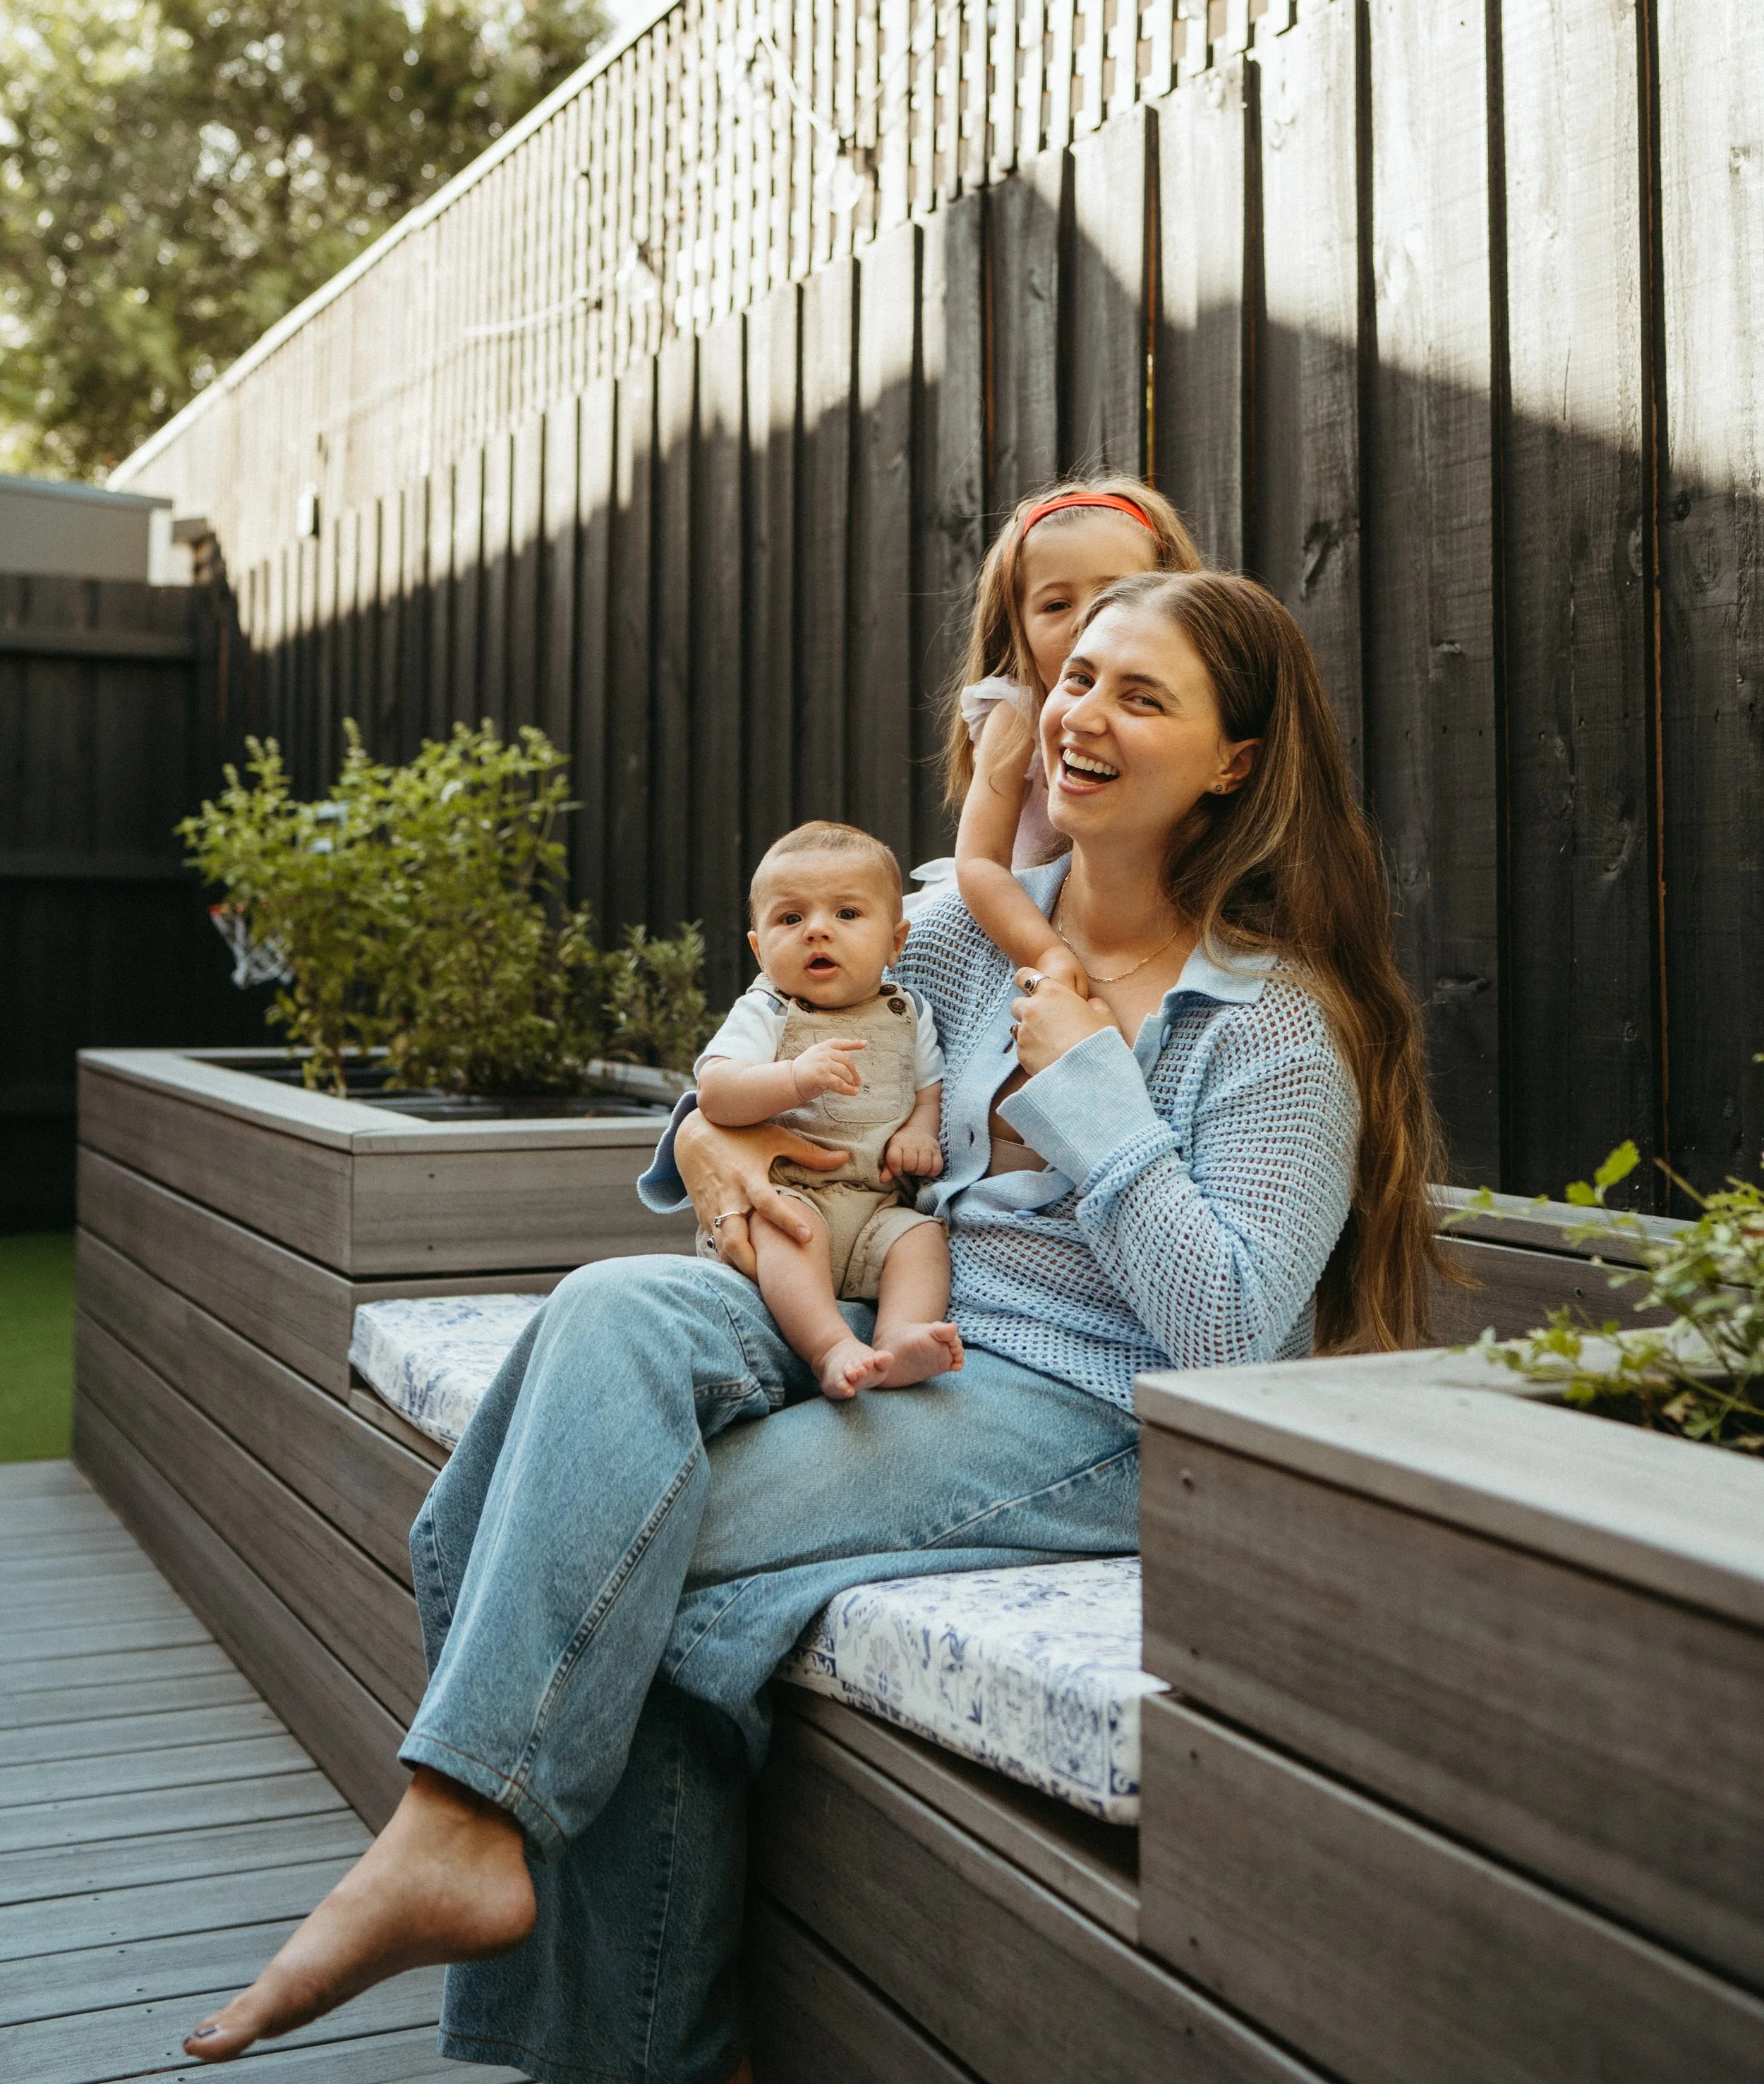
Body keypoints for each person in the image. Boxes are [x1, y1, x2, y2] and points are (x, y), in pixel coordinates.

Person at [181, 569, 1443, 2084]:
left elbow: (1229, 1335)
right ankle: (468, 1848)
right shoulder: (958, 928)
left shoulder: (1275, 1022)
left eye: (1140, 694)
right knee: (604, 1314)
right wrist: (715, 1152)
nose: (1080, 714)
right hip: (890, 1305)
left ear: (1234, 763)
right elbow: (739, 1057)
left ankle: (521, 1924)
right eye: (1078, 675)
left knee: (601, 1543)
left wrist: (1093, 1096)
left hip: (1090, 1409)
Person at [694, 818, 958, 1397]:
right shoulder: (767, 1011)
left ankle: (901, 1334)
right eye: (791, 918)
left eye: (846, 914)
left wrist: (919, 1128)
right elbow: (715, 1092)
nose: (817, 931)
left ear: (896, 940)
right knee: (790, 1230)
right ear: (760, 948)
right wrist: (791, 1078)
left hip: (876, 1208)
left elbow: (929, 1088)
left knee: (922, 1240)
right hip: (792, 1198)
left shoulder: (909, 1012)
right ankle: (829, 1346)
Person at [937, 475, 1200, 991]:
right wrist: (1047, 954)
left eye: (1115, 594)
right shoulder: (1015, 714)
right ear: (1019, 626)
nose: (1086, 621)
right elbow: (980, 863)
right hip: (1030, 931)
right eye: (1056, 605)